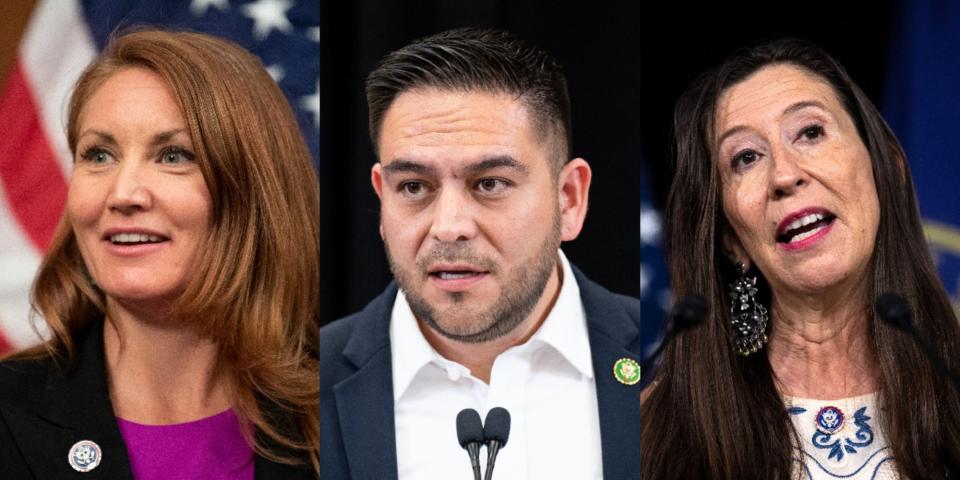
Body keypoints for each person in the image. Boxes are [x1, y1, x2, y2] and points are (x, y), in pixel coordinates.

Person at [320, 27, 641, 479]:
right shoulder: (306, 379)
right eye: (414, 187)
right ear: (381, 198)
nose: (449, 227)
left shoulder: (669, 361)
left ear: (569, 198)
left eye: (489, 184)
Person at [0, 29, 319, 478]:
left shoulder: (343, 412)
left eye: (173, 156)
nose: (124, 193)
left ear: (251, 192)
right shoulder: (9, 415)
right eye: (99, 155)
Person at [640, 38, 960, 479]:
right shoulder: (651, 431)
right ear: (731, 238)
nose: (785, 175)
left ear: (888, 170)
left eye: (810, 132)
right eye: (746, 158)